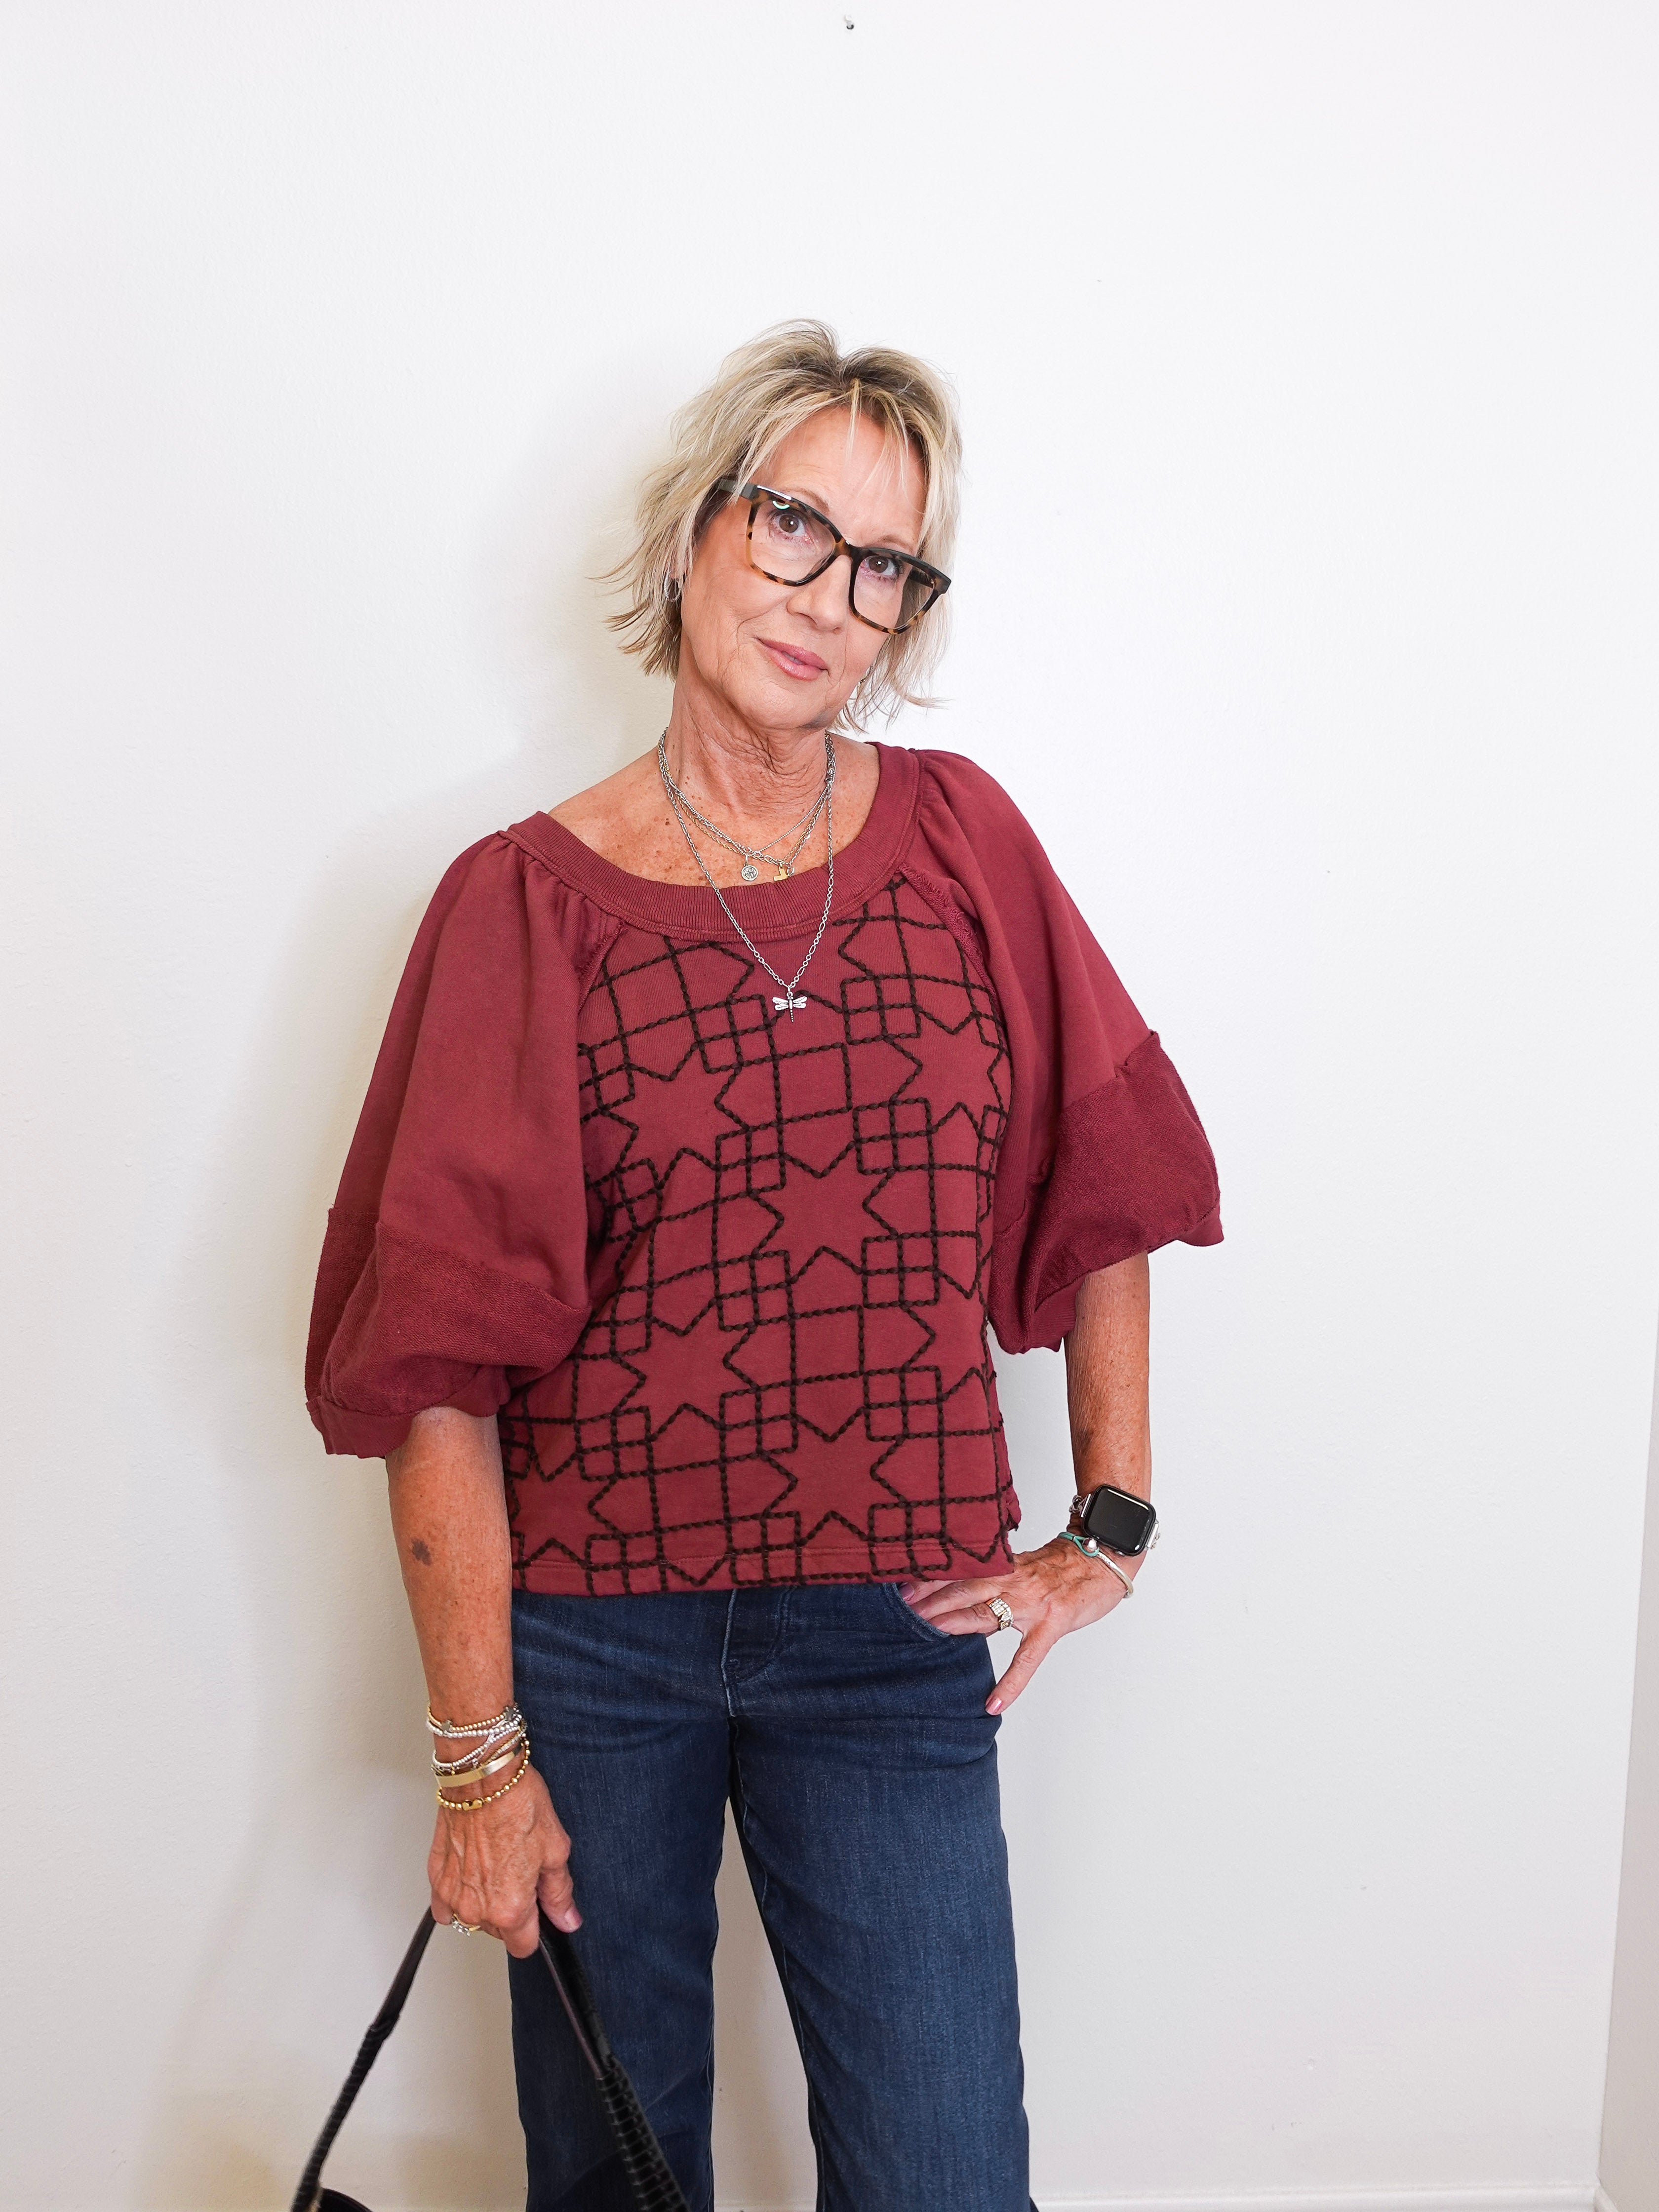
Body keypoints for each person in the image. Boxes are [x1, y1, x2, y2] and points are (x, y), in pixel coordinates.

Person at [305, 320, 1221, 2212]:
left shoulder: (965, 844)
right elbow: (439, 1369)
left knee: (945, 2173)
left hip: (894, 1633)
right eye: (796, 527)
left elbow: (1111, 1158)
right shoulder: (521, 903)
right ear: (692, 533)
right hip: (592, 1654)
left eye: (887, 566)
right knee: (616, 2175)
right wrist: (480, 1758)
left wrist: (1108, 1516)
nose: (832, 599)